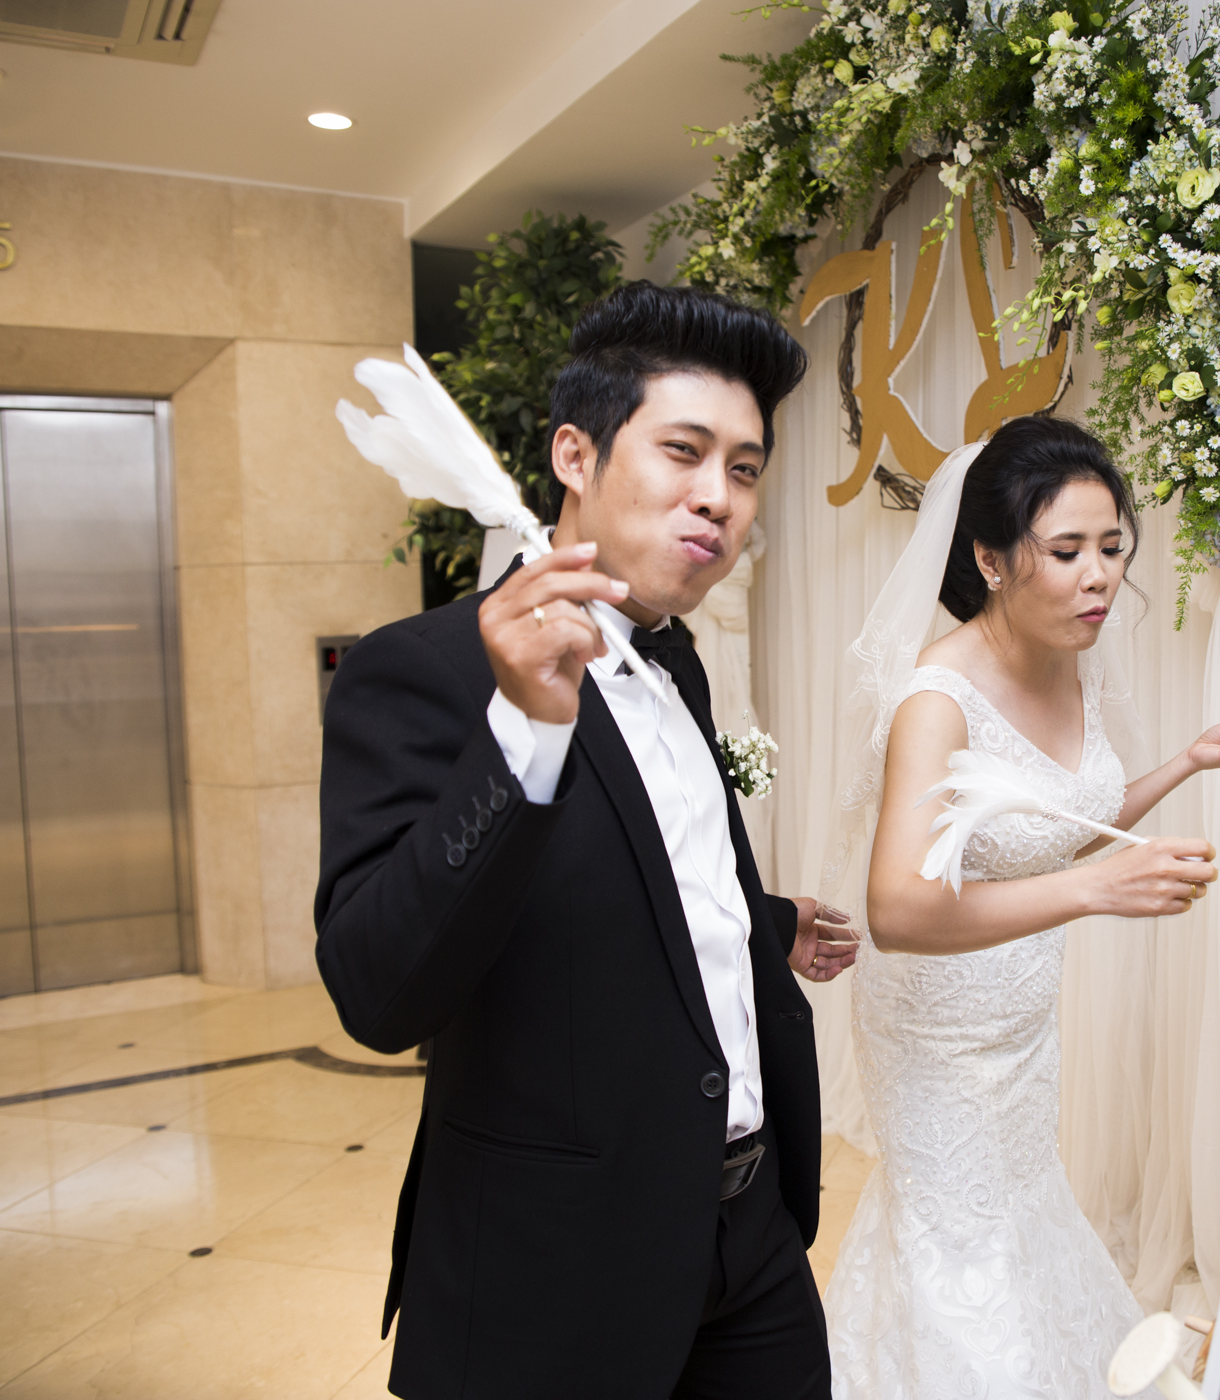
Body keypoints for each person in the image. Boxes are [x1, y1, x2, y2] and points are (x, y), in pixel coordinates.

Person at [315, 281, 856, 1400]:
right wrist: (521, 732)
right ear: (575, 453)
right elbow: (377, 989)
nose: (718, 497)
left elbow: (635, 875)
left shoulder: (678, 659)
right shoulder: (422, 669)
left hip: (751, 1238)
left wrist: (766, 922)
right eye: (683, 451)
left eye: (745, 468)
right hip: (555, 1269)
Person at [819, 417, 1220, 1399]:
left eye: (1113, 547)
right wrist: (1096, 891)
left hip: (1021, 1006)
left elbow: (1050, 828)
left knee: (1021, 1208)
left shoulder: (1068, 652)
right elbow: (898, 907)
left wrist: (1191, 760)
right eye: (1067, 550)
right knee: (959, 1238)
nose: (1099, 578)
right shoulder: (936, 700)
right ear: (991, 560)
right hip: (937, 1022)